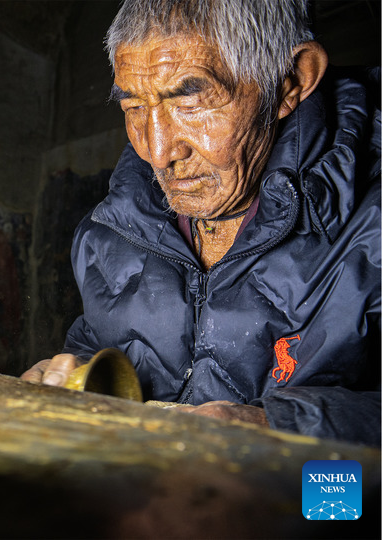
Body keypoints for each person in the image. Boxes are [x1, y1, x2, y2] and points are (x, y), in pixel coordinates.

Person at [21, 0, 380, 446]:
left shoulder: (370, 224)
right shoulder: (113, 229)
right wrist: (74, 374)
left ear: (291, 81)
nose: (157, 152)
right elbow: (98, 343)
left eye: (190, 102)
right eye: (133, 106)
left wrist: (279, 428)